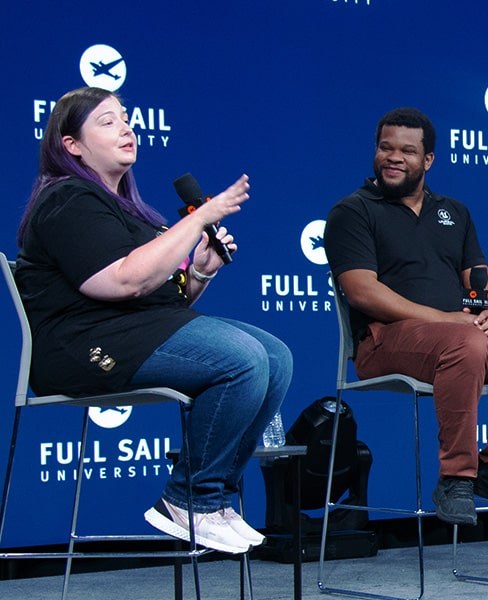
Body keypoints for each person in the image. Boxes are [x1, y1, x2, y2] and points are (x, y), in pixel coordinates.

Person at [15, 87, 293, 554]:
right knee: (243, 358)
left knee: (275, 357)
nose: (126, 128)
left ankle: (214, 497)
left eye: (126, 118)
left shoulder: (131, 211)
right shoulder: (67, 201)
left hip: (128, 335)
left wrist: (201, 268)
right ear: (72, 145)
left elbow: (165, 302)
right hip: (80, 347)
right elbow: (122, 283)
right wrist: (201, 216)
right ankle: (190, 500)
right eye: (107, 122)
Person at [324, 107, 488, 526]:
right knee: (466, 341)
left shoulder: (453, 211)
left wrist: (486, 310)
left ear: (428, 160)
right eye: (385, 148)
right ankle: (456, 476)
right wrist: (445, 319)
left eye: (407, 150)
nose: (394, 157)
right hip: (385, 341)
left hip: (457, 335)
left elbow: (481, 277)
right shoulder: (354, 211)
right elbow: (362, 290)